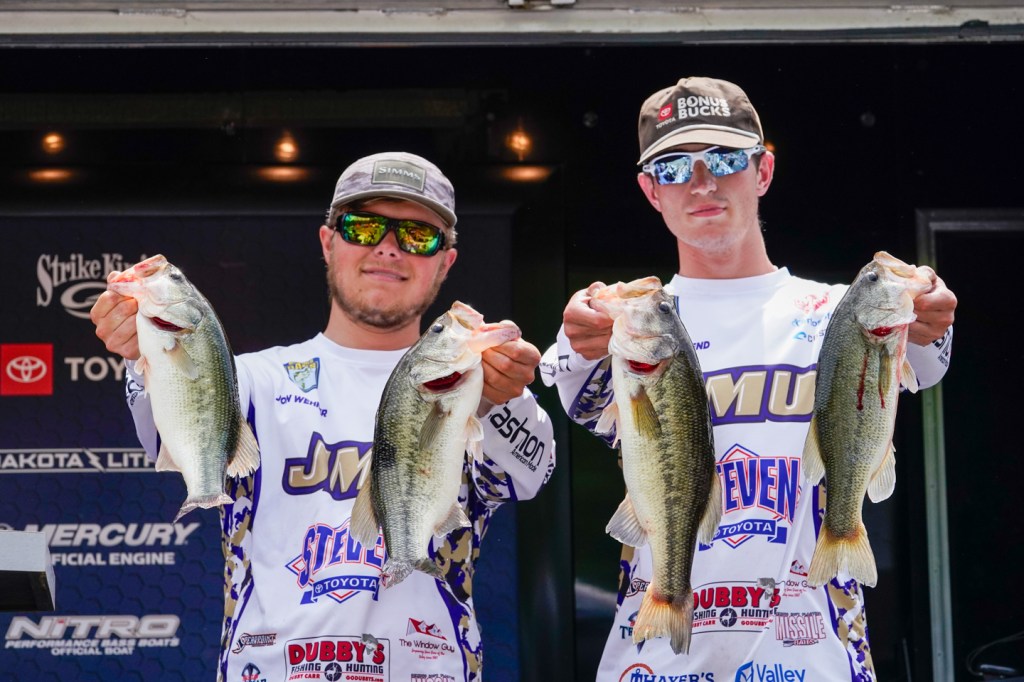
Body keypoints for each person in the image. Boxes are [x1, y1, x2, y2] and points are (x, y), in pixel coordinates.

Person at [541, 77, 956, 680]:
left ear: (763, 171)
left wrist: (930, 318)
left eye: (725, 160)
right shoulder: (624, 319)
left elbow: (928, 364)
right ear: (651, 190)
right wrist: (577, 341)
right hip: (657, 660)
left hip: (818, 658)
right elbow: (580, 399)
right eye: (673, 168)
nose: (702, 183)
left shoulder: (839, 311)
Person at [91, 151, 555, 682]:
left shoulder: (478, 383)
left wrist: (506, 397)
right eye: (364, 227)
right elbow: (167, 434)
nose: (388, 247)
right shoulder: (252, 380)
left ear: (446, 262)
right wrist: (141, 352)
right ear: (328, 241)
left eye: (418, 235)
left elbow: (530, 474)